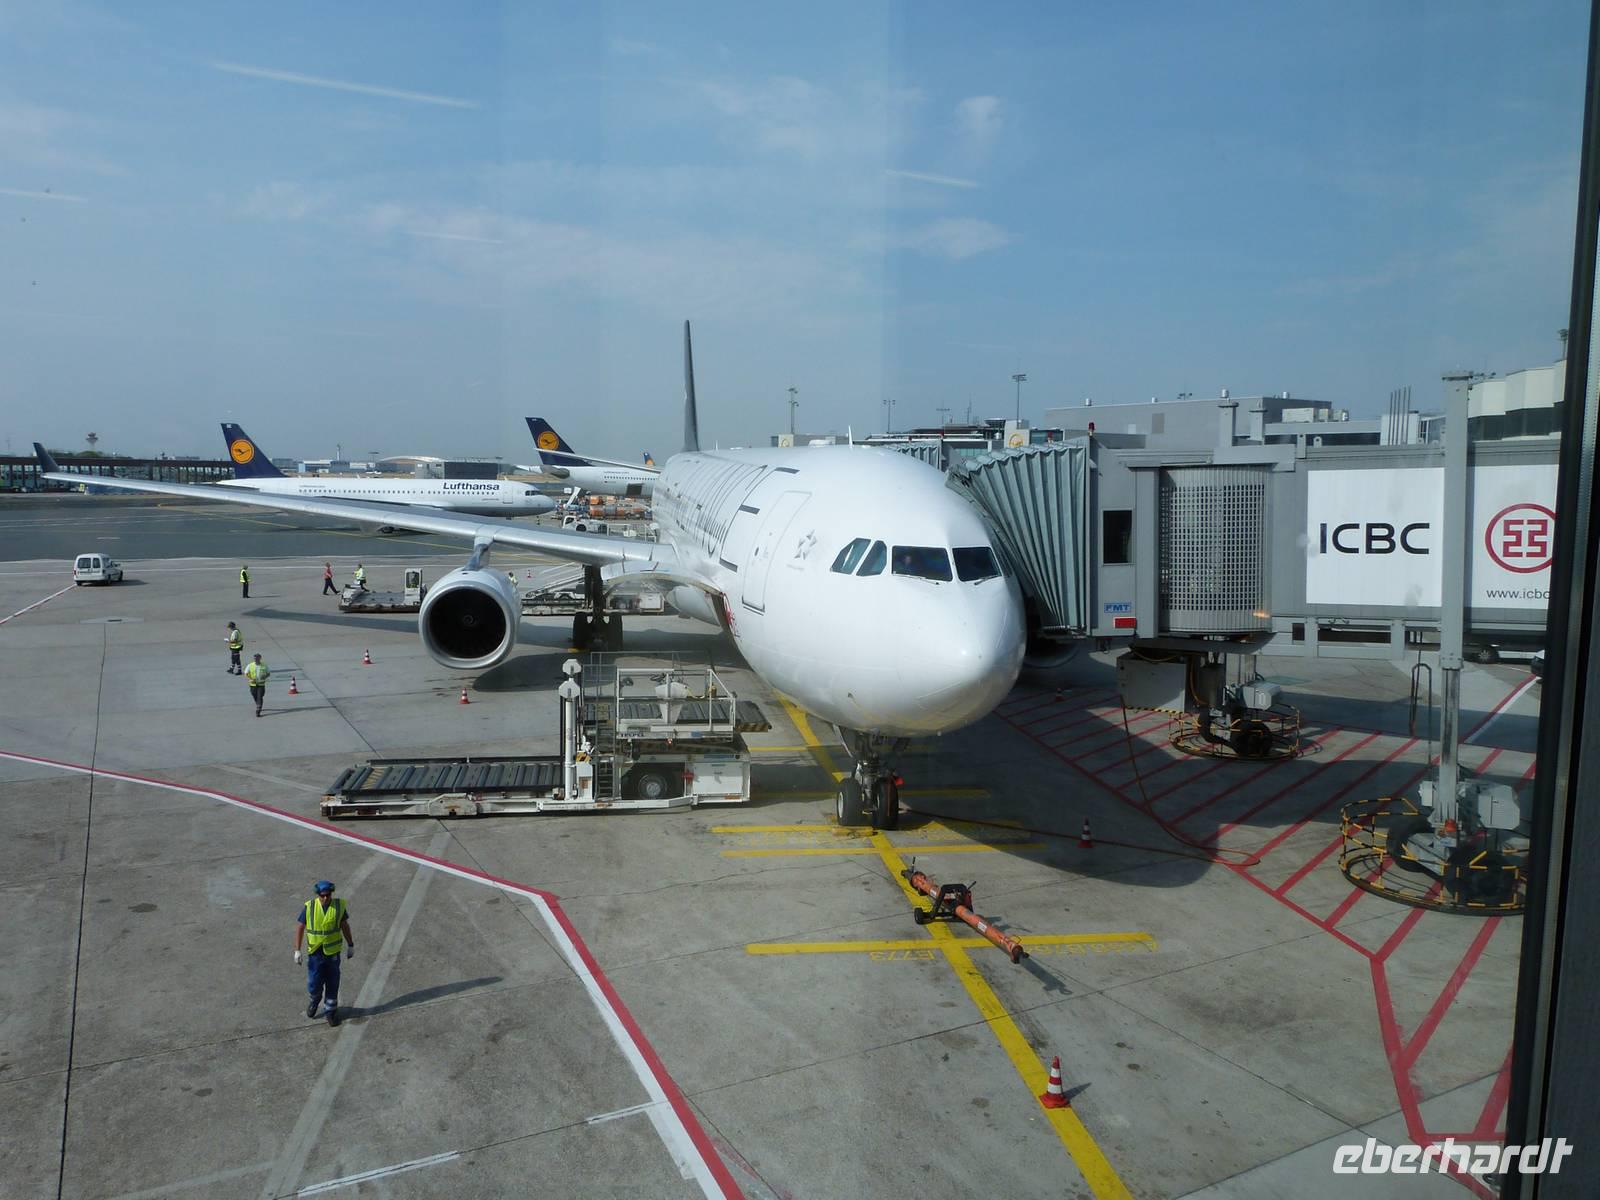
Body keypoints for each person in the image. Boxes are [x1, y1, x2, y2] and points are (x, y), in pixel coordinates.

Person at [294, 880, 355, 1026]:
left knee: (333, 982)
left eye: (328, 895)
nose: (326, 898)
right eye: (322, 896)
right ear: (318, 895)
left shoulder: (339, 907)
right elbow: (300, 928)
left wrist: (350, 944)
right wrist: (297, 949)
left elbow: (344, 926)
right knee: (314, 982)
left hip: (333, 954)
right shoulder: (310, 907)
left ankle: (330, 1012)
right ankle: (314, 1000)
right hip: (316, 954)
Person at [244, 652, 270, 717]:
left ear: (260, 658)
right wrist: (250, 679)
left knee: (260, 696)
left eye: (257, 658)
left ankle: (258, 709)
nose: (256, 659)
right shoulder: (250, 665)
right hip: (253, 684)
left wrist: (265, 676)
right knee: (254, 695)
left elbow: (268, 673)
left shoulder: (264, 665)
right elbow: (246, 673)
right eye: (255, 658)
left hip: (261, 684)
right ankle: (258, 704)